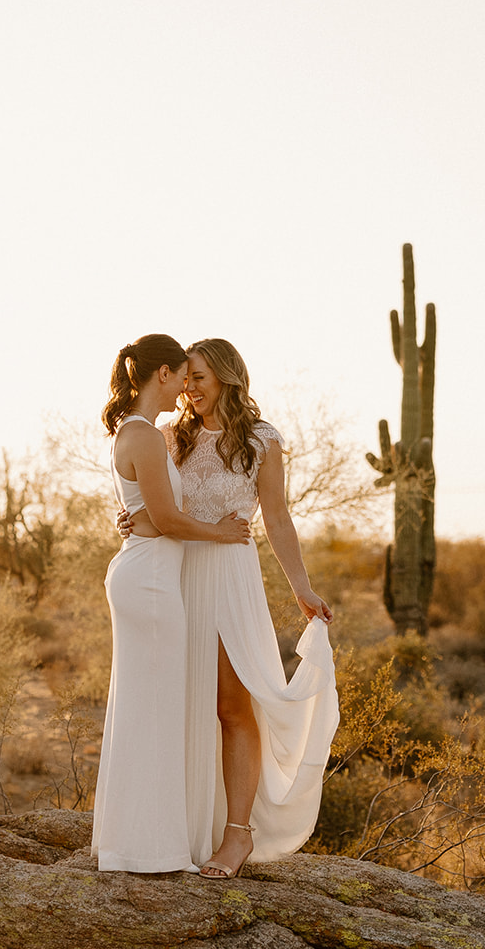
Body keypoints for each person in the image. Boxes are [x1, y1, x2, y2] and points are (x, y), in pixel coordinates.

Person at [167, 338, 339, 879]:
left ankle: (237, 835)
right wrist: (127, 521)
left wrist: (302, 588)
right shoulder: (172, 435)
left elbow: (278, 518)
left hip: (229, 578)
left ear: (227, 376)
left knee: (231, 705)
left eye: (198, 378)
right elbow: (149, 500)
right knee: (181, 706)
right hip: (174, 573)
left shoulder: (262, 441)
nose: (189, 389)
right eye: (184, 378)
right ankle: (181, 830)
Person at [93, 334, 252, 873]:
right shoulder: (146, 436)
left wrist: (138, 518)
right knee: (155, 711)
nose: (187, 385)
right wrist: (221, 533)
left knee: (148, 709)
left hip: (150, 570)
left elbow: (149, 510)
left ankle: (138, 841)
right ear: (161, 375)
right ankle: (150, 848)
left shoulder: (140, 434)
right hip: (153, 579)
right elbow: (165, 518)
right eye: (182, 374)